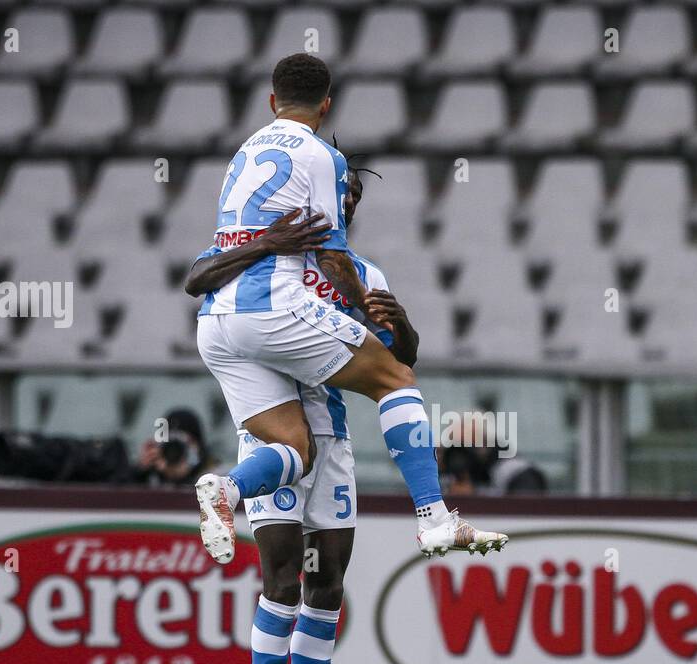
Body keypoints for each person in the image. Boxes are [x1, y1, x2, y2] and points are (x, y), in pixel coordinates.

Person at [190, 53, 508, 570]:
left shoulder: (242, 154)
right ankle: (434, 517)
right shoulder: (321, 158)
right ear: (327, 105)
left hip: (218, 323)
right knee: (395, 381)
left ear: (272, 101)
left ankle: (227, 488)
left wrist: (390, 318)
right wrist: (361, 303)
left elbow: (214, 260)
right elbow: (333, 260)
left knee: (295, 449)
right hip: (271, 308)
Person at [185, 163, 415, 664]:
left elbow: (403, 359)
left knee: (327, 586)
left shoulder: (361, 273)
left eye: (351, 200)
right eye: (338, 194)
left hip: (334, 443)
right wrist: (268, 243)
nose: (342, 205)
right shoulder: (251, 247)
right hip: (274, 438)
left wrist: (399, 321)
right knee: (282, 577)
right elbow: (194, 280)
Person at [130, 408, 211, 487]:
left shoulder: (214, 479)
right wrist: (140, 473)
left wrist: (186, 476)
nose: (174, 452)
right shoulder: (150, 478)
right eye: (169, 444)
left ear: (198, 447)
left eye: (184, 444)